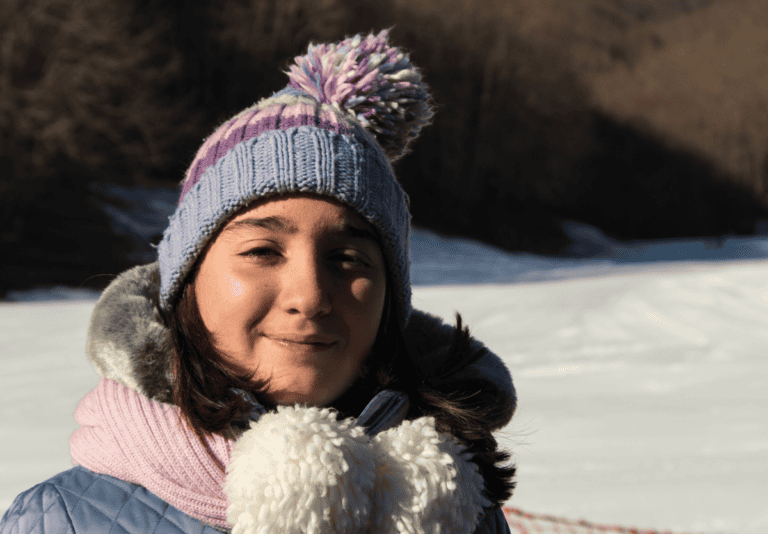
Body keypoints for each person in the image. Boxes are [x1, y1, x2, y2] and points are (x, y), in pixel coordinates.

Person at [0, 30, 517, 534]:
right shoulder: (60, 521)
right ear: (189, 281)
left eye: (347, 258)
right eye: (263, 252)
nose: (311, 296)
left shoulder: (457, 508)